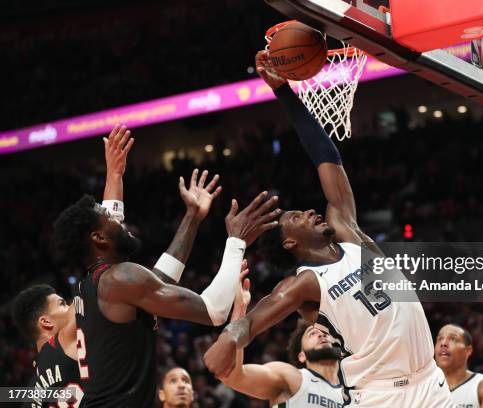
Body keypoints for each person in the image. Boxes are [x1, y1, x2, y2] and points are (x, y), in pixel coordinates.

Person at [204, 50, 453, 408]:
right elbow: (256, 320)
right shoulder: (304, 284)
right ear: (289, 242)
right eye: (296, 216)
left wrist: (283, 92)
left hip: (431, 383)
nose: (309, 211)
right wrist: (228, 339)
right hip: (382, 397)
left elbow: (327, 157)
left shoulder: (348, 233)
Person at [53, 149, 279, 406]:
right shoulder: (117, 279)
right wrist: (236, 241)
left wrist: (192, 217)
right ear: (99, 238)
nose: (120, 222)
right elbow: (213, 310)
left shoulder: (92, 284)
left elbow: (160, 280)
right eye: (110, 219)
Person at [11, 124, 134, 407]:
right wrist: (114, 176)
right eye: (62, 305)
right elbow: (109, 257)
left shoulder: (32, 390)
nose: (71, 307)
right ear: (46, 322)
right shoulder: (64, 340)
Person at [219, 275, 343, 407]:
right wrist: (240, 309)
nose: (321, 335)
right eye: (312, 334)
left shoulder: (355, 390)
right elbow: (232, 376)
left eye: (324, 333)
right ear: (302, 355)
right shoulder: (291, 377)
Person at [435, 324, 483, 408]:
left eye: (453, 339)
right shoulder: (424, 386)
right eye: (440, 339)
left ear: (468, 350)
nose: (443, 343)